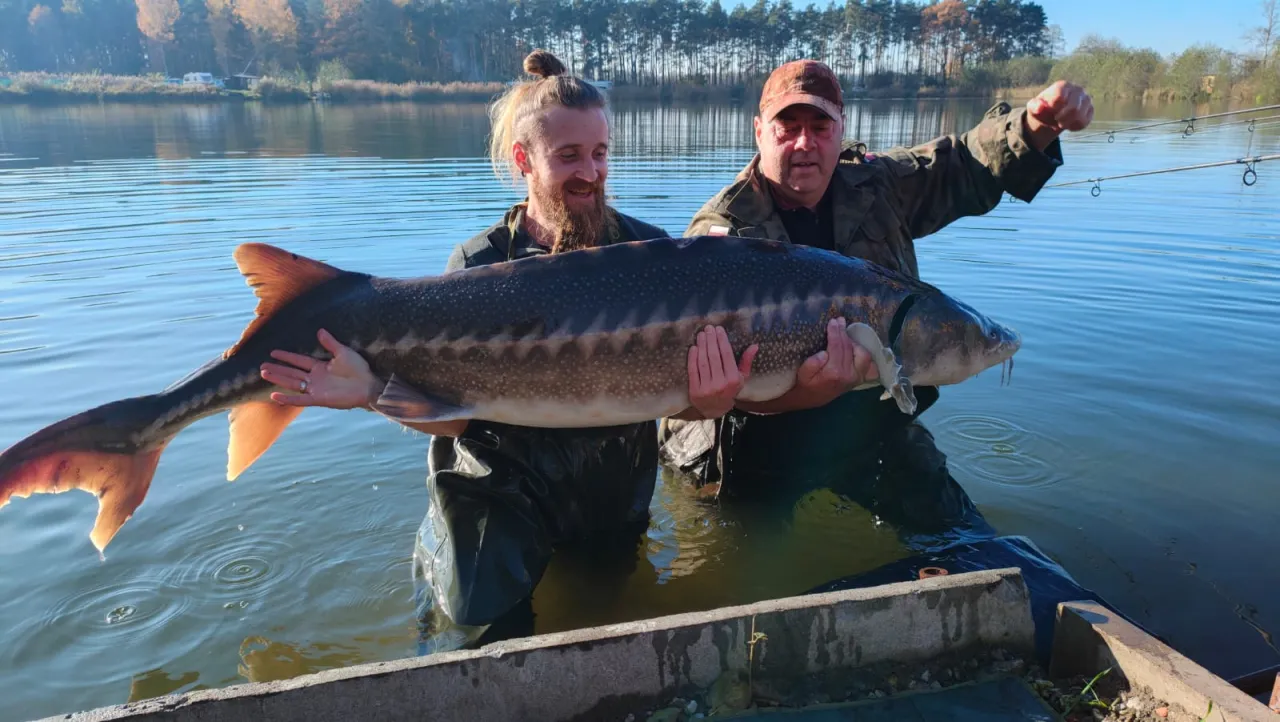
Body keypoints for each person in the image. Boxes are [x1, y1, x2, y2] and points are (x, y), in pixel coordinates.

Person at [256, 49, 749, 651]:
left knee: (610, 631)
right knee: (476, 629)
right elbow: (454, 415)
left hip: (610, 494)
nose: (590, 173)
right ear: (523, 160)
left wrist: (710, 403)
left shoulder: (651, 254)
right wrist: (369, 393)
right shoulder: (481, 265)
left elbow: (670, 388)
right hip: (498, 491)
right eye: (568, 156)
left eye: (600, 153)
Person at [659, 60, 1094, 540]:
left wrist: (1035, 126)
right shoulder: (722, 232)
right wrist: (799, 395)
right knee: (738, 563)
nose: (804, 143)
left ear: (841, 130)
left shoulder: (876, 183)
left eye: (820, 127)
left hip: (863, 419)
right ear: (760, 131)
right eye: (788, 126)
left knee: (957, 538)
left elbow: (963, 164)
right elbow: (692, 379)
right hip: (741, 438)